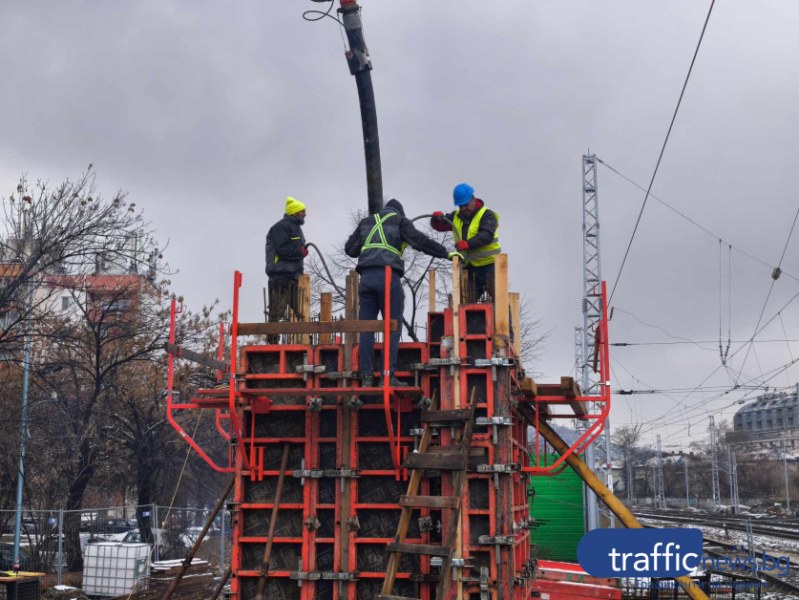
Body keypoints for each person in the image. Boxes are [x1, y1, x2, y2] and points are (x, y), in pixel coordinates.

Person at [345, 199, 459, 387]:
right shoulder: (400, 222)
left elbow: (350, 250)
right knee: (392, 328)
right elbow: (421, 242)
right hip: (388, 278)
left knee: (367, 330)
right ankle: (387, 377)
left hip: (365, 280)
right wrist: (446, 254)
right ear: (400, 213)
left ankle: (366, 378)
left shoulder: (367, 222)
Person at [431, 182, 500, 303]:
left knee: (500, 303)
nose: (463, 208)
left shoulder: (487, 215)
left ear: (473, 199)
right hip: (470, 269)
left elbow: (486, 235)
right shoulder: (457, 216)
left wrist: (468, 244)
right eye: (460, 206)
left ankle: (508, 322)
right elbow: (440, 226)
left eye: (465, 205)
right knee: (465, 306)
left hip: (490, 267)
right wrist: (436, 220)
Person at [265, 196, 308, 343]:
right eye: (302, 212)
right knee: (277, 313)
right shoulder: (280, 227)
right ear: (295, 212)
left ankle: (303, 341)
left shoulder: (296, 229)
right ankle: (272, 343)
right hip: (280, 277)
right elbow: (282, 250)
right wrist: (300, 252)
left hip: (294, 277)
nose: (305, 215)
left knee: (300, 313)